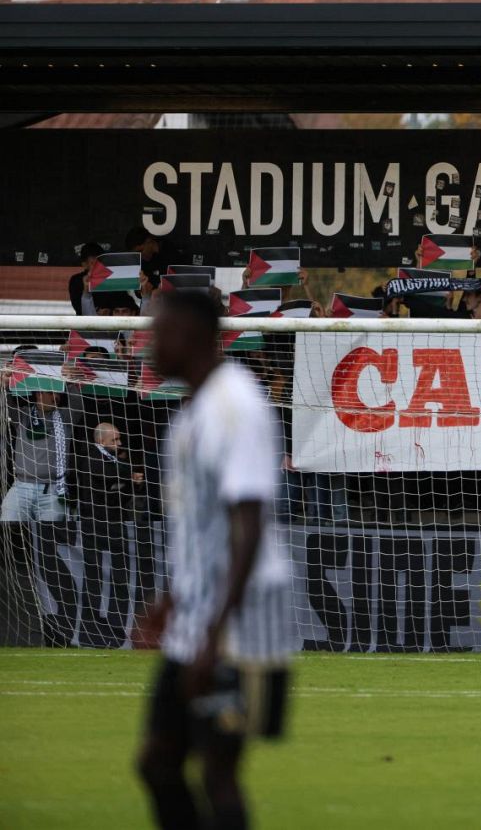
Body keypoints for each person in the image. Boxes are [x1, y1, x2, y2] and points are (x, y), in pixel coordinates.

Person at [133, 291, 296, 830]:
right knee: (157, 761)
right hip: (199, 617)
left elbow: (249, 524)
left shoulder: (235, 407)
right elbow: (205, 531)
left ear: (198, 338)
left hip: (240, 625)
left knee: (218, 772)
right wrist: (175, 599)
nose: (149, 345)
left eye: (161, 333)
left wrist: (216, 632)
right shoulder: (195, 409)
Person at [1, 380, 78, 647]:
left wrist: (70, 376)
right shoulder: (23, 413)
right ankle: (15, 586)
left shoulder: (65, 416)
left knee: (49, 547)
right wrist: (6, 382)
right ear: (35, 392)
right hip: (22, 485)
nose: (53, 396)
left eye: (56, 391)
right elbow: (7, 400)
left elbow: (79, 400)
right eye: (47, 391)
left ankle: (59, 613)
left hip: (54, 489)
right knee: (6, 528)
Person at [74, 421, 144, 648]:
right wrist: (128, 474)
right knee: (92, 577)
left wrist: (129, 481)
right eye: (115, 440)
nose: (120, 443)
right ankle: (89, 632)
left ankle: (117, 632)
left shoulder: (118, 460)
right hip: (92, 523)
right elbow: (105, 475)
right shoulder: (90, 455)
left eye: (119, 439)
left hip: (116, 521)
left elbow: (123, 491)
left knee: (120, 577)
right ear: (101, 441)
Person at [68, 242, 105, 316]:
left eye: (100, 263)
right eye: (93, 263)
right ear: (84, 265)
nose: (98, 266)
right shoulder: (77, 281)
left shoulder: (111, 279)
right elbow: (78, 307)